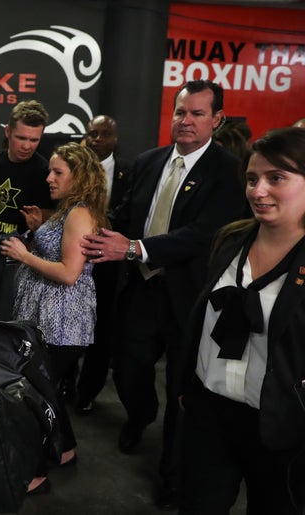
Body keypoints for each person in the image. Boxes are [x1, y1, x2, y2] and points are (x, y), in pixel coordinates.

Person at [80, 79, 246, 509]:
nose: (186, 121)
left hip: (189, 297)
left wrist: (134, 248)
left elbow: (203, 234)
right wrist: (92, 228)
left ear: (216, 119)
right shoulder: (149, 161)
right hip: (140, 289)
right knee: (129, 372)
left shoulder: (229, 171)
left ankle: (172, 473)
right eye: (180, 112)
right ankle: (139, 415)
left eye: (197, 114)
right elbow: (126, 213)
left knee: (180, 390)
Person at [174, 127, 305, 514]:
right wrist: (187, 385)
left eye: (275, 178)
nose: (258, 191)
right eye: (251, 179)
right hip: (209, 414)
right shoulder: (230, 241)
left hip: (280, 426)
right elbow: (200, 322)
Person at [0, 142, 108, 494]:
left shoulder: (80, 213)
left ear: (80, 177)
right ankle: (65, 450)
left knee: (34, 396)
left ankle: (35, 472)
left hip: (61, 323)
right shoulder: (68, 210)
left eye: (58, 172)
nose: (49, 177)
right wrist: (36, 231)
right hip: (48, 319)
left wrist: (23, 254)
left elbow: (68, 273)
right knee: (48, 391)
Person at [0, 99, 53, 318]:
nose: (27, 145)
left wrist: (40, 224)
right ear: (8, 131)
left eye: (34, 139)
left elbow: (52, 223)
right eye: (21, 137)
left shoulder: (45, 172)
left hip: (19, 268)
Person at [76, 114, 130, 414]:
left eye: (104, 134)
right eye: (92, 134)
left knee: (101, 332)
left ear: (115, 138)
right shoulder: (74, 168)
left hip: (109, 267)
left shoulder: (130, 173)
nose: (97, 139)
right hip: (74, 258)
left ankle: (88, 391)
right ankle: (64, 384)